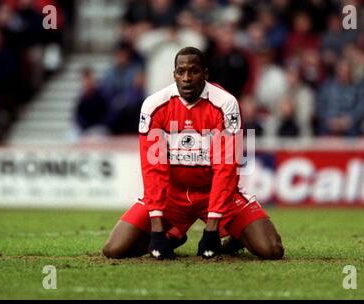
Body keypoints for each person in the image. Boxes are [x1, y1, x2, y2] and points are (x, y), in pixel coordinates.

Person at [103, 47, 284, 260]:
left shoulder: (225, 103)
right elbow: (153, 170)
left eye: (193, 71)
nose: (187, 78)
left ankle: (236, 236)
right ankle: (173, 236)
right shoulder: (154, 105)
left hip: (214, 194)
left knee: (272, 249)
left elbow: (226, 169)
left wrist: (212, 229)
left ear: (205, 74)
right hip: (172, 194)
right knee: (114, 249)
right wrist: (158, 230)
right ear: (174, 75)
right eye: (181, 72)